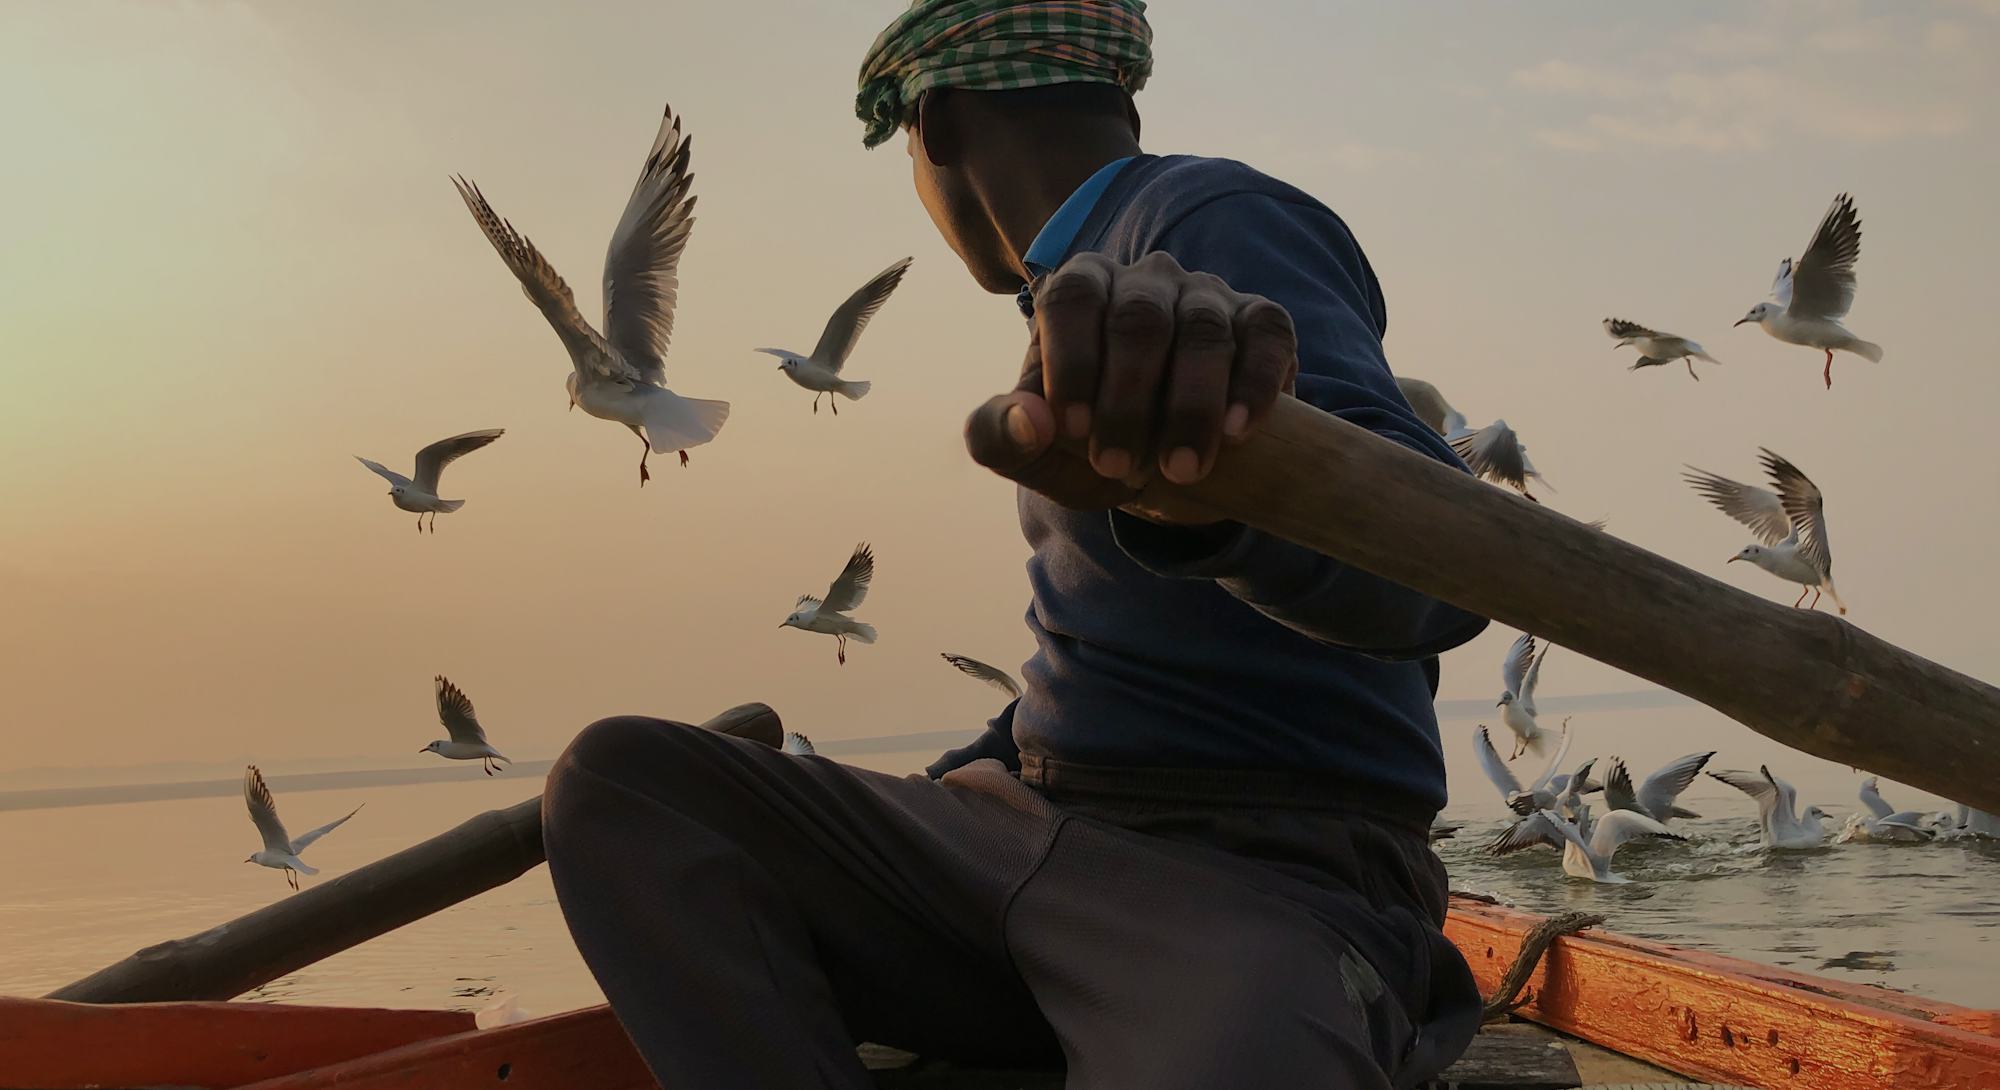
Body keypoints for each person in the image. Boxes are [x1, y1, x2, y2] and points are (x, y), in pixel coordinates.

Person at [543, 2, 1490, 1086]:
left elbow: (1438, 576)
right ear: (1120, 96)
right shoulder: (1068, 296)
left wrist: (1205, 502)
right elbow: (1107, 662)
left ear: (933, 125)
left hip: (1253, 874)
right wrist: (965, 780)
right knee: (625, 786)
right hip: (1030, 829)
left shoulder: (1201, 223)